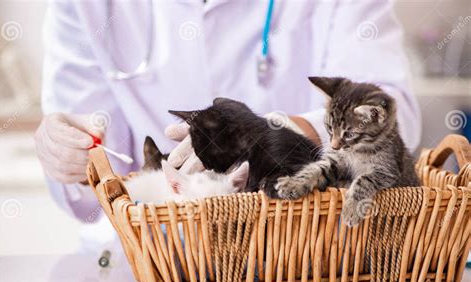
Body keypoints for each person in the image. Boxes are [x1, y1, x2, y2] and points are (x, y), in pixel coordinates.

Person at [35, 0, 421, 224]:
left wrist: (278, 134)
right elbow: (99, 185)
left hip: (307, 246)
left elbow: (390, 107)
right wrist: (75, 156)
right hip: (152, 261)